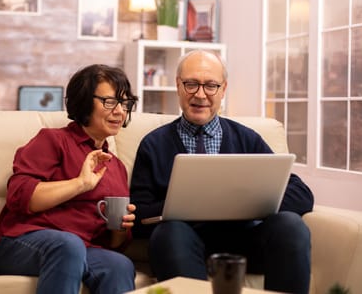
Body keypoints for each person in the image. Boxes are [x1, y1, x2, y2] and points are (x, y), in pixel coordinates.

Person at [129, 50, 314, 294]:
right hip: (184, 243)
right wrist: (187, 205)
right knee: (169, 233)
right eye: (191, 84)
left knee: (290, 224)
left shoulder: (247, 139)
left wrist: (247, 201)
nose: (200, 94)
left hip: (246, 242)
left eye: (211, 85)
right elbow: (139, 214)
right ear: (178, 86)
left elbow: (302, 194)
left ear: (223, 89)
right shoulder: (153, 144)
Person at [0, 64, 139, 294]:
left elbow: (112, 244)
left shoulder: (115, 167)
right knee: (68, 245)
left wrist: (120, 228)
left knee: (119, 265)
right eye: (109, 102)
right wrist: (80, 184)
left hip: (84, 248)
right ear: (85, 102)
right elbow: (20, 196)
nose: (120, 111)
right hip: (24, 241)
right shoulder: (53, 141)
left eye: (125, 103)